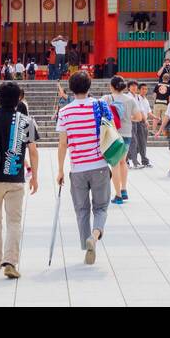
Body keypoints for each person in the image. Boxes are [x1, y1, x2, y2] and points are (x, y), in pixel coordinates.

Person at [0, 81, 39, 280]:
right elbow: (33, 151)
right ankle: (10, 261)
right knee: (14, 221)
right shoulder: (26, 121)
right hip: (15, 179)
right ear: (18, 99)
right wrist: (35, 177)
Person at [54, 71, 110, 265]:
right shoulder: (99, 105)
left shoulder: (65, 111)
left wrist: (60, 170)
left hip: (77, 168)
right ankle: (94, 237)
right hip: (100, 165)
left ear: (71, 88)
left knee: (82, 209)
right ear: (89, 86)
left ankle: (87, 246)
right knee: (101, 207)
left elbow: (63, 144)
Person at [103, 76, 134, 204]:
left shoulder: (106, 99)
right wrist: (127, 118)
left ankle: (118, 195)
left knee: (114, 164)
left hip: (113, 135)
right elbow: (139, 117)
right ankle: (124, 189)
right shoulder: (130, 99)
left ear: (112, 86)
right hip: (127, 134)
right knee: (123, 162)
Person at [130, 82, 152, 168]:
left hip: (141, 121)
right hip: (137, 121)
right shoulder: (136, 97)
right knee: (138, 142)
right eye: (143, 89)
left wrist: (154, 118)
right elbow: (139, 111)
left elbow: (145, 111)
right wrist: (145, 120)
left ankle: (129, 158)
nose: (144, 90)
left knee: (141, 143)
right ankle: (141, 160)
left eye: (146, 89)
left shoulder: (142, 99)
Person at [151, 69, 170, 134]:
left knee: (155, 118)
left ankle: (154, 131)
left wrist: (155, 102)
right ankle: (163, 131)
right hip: (165, 103)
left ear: (162, 78)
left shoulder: (157, 85)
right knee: (164, 118)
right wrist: (169, 104)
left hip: (157, 103)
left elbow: (154, 95)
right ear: (169, 79)